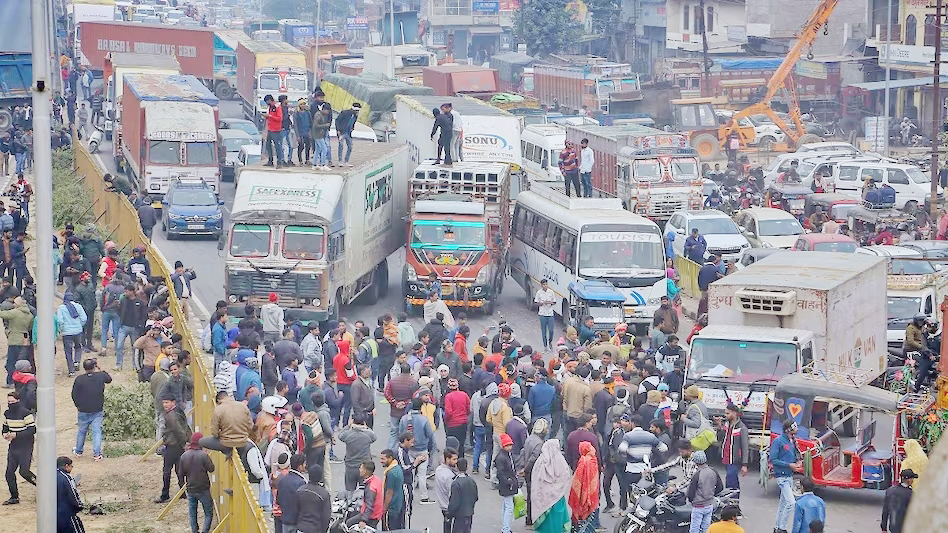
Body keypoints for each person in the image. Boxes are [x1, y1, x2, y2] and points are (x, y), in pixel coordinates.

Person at [71, 358, 111, 461]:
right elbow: (109, 379)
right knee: (97, 431)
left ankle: (79, 451)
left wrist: (78, 406)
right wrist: (100, 368)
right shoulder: (100, 376)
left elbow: (74, 394)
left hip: (83, 409)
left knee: (81, 431)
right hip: (97, 409)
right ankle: (97, 454)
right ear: (94, 367)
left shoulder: (79, 379)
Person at [3, 390, 35, 505]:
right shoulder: (7, 413)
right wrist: (5, 435)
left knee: (24, 471)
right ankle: (14, 497)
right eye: (9, 402)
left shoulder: (25, 413)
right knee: (9, 473)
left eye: (13, 401)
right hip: (14, 446)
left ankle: (44, 488)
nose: (10, 404)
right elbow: (5, 427)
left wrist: (16, 434)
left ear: (18, 401)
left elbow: (32, 430)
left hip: (26, 445)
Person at [199, 390, 253, 458]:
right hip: (242, 442)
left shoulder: (218, 409)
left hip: (226, 443)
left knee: (201, 441)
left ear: (219, 401)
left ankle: (228, 452)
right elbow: (250, 426)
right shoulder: (243, 406)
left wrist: (222, 434)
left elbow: (214, 433)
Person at [770, 419, 802, 533]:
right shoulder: (778, 441)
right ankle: (782, 528)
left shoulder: (792, 441)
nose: (797, 428)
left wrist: (797, 463)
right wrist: (789, 465)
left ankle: (778, 526)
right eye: (794, 426)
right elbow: (773, 459)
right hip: (782, 476)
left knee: (783, 504)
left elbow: (793, 455)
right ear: (789, 429)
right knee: (790, 503)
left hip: (789, 475)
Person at [180, 432, 215, 533]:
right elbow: (212, 469)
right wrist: (208, 456)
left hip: (191, 488)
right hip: (203, 488)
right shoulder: (203, 455)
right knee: (208, 512)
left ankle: (195, 531)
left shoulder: (184, 456)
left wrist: (184, 486)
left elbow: (181, 474)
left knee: (192, 513)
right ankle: (205, 531)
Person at [338, 413, 377, 491]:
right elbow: (374, 437)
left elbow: (340, 435)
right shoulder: (368, 434)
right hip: (365, 467)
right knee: (364, 491)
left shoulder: (348, 435)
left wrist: (348, 426)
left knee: (349, 491)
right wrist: (366, 427)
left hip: (351, 466)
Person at [686, 450, 722, 533]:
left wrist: (692, 501)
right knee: (706, 527)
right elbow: (720, 487)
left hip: (698, 505)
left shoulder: (697, 475)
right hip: (709, 504)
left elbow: (690, 493)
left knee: (695, 528)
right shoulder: (713, 471)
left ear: (695, 462)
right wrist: (711, 494)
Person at [569, 441, 600, 533]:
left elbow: (578, 480)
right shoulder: (593, 460)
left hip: (583, 494)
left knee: (581, 520)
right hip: (592, 493)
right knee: (590, 519)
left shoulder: (583, 461)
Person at [720, 403, 748, 498]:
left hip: (734, 459)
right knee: (730, 482)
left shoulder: (742, 428)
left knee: (731, 481)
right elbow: (720, 439)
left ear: (734, 413)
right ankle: (730, 503)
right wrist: (719, 427)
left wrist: (744, 464)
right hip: (726, 458)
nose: (725, 415)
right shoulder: (726, 425)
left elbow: (745, 447)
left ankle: (734, 502)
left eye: (728, 413)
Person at [296, 463, 332, 533]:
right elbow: (326, 516)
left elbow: (295, 510)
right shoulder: (324, 494)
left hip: (301, 527)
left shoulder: (300, 490)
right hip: (316, 528)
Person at [57, 292, 87, 376]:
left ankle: (71, 370)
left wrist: (62, 329)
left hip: (67, 333)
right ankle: (77, 361)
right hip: (77, 331)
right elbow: (84, 318)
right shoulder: (78, 306)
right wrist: (79, 326)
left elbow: (60, 321)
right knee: (78, 347)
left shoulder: (61, 308)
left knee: (68, 352)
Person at [276, 454, 307, 533]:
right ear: (299, 466)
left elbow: (278, 500)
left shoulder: (282, 480)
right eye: (304, 464)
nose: (305, 466)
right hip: (296, 520)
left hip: (285, 518)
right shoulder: (302, 482)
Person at [349, 460, 385, 528]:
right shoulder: (376, 479)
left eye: (361, 468)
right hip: (376, 514)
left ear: (365, 471)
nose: (359, 470)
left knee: (348, 523)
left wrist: (364, 520)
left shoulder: (371, 488)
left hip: (371, 516)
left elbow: (369, 506)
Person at [495, 434, 519, 533]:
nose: (510, 447)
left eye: (510, 445)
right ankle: (506, 529)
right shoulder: (502, 457)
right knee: (509, 507)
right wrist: (509, 481)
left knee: (506, 505)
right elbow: (500, 473)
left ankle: (505, 527)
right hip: (507, 486)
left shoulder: (505, 455)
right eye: (507, 445)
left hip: (508, 485)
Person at [881, 468, 916, 533]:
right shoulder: (911, 494)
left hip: (893, 526)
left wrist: (884, 528)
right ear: (908, 480)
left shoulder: (890, 491)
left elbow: (885, 510)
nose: (913, 481)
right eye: (912, 479)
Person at [380, 449, 407, 530]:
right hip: (399, 505)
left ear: (390, 458)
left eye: (383, 459)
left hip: (392, 507)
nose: (381, 461)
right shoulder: (397, 468)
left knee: (388, 529)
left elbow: (389, 492)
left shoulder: (391, 472)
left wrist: (384, 509)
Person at [56, 456, 85, 532]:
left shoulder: (49, 476)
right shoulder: (66, 477)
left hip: (52, 516)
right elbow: (73, 495)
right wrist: (80, 506)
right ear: (66, 466)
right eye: (71, 466)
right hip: (67, 514)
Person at [435, 448, 459, 533]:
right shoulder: (449, 476)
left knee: (447, 525)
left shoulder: (439, 469)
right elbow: (452, 493)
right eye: (454, 459)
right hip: (449, 505)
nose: (456, 461)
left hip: (442, 503)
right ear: (447, 459)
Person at [262, 95, 285, 167]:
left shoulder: (277, 107)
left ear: (269, 100)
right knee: (268, 145)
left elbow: (280, 118)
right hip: (270, 129)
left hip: (276, 130)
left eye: (267, 101)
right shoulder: (271, 107)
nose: (266, 103)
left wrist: (270, 116)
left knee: (277, 146)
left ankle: (279, 162)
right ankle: (270, 161)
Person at [535, 279, 557, 351]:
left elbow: (554, 302)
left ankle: (550, 342)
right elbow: (536, 302)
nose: (545, 286)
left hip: (550, 313)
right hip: (542, 313)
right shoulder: (539, 293)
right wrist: (543, 303)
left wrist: (549, 302)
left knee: (551, 330)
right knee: (544, 330)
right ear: (541, 285)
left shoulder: (551, 292)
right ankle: (545, 346)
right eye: (544, 284)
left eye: (546, 284)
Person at [311, 103, 332, 170]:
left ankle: (314, 164)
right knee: (324, 149)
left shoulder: (323, 115)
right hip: (317, 134)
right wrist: (325, 125)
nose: (328, 113)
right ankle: (323, 164)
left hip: (320, 134)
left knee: (317, 149)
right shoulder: (318, 115)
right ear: (324, 109)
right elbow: (315, 125)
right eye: (327, 111)